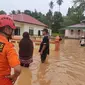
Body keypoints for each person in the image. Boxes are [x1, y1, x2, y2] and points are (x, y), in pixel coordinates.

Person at [0, 15, 21, 85]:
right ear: (6, 29)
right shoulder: (8, 46)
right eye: (12, 29)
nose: (12, 31)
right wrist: (15, 76)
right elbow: (18, 69)